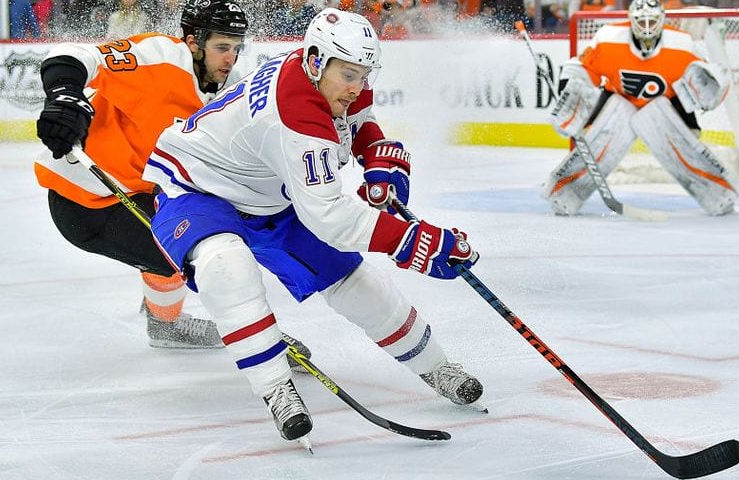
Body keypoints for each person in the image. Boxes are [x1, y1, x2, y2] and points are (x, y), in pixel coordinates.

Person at [141, 7, 485, 445]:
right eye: (349, 75)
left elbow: (358, 116)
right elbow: (331, 217)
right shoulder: (298, 117)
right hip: (195, 186)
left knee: (355, 283)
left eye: (364, 74)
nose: (357, 86)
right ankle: (275, 387)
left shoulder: (325, 68)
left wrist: (375, 151)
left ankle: (435, 365)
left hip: (268, 193)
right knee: (226, 267)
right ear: (319, 61)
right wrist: (417, 243)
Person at [33, 0, 311, 361]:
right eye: (222, 47)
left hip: (143, 191)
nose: (230, 59)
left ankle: (164, 323)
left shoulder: (233, 90)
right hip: (83, 199)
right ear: (194, 42)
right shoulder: (160, 57)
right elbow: (72, 54)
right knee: (183, 253)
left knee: (192, 232)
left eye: (237, 48)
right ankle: (250, 336)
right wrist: (65, 96)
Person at [542, 0, 737, 216]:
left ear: (662, 20)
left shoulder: (682, 44)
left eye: (652, 20)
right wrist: (570, 91)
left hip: (666, 104)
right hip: (619, 99)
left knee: (681, 144)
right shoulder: (609, 38)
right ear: (630, 20)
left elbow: (711, 80)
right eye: (641, 20)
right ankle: (565, 193)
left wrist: (711, 87)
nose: (646, 26)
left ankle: (719, 194)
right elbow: (583, 68)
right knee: (604, 138)